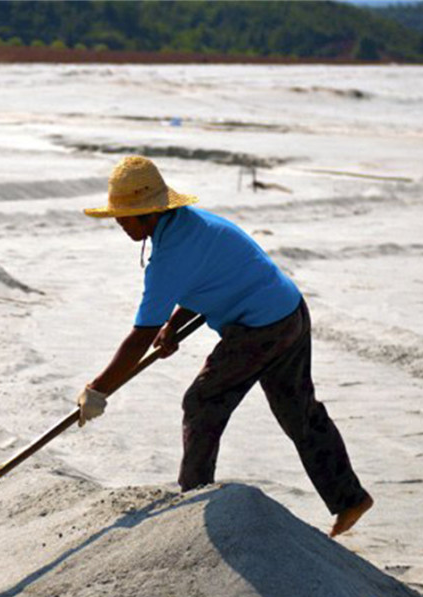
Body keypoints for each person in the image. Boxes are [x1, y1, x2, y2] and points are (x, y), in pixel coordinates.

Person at [77, 156, 373, 537]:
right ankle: (349, 498)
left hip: (260, 329)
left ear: (149, 213)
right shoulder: (192, 225)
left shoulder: (168, 257)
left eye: (124, 216)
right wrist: (174, 326)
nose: (118, 222)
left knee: (202, 402)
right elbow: (206, 280)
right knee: (299, 412)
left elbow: (139, 336)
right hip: (289, 310)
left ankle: (192, 501)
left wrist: (98, 389)